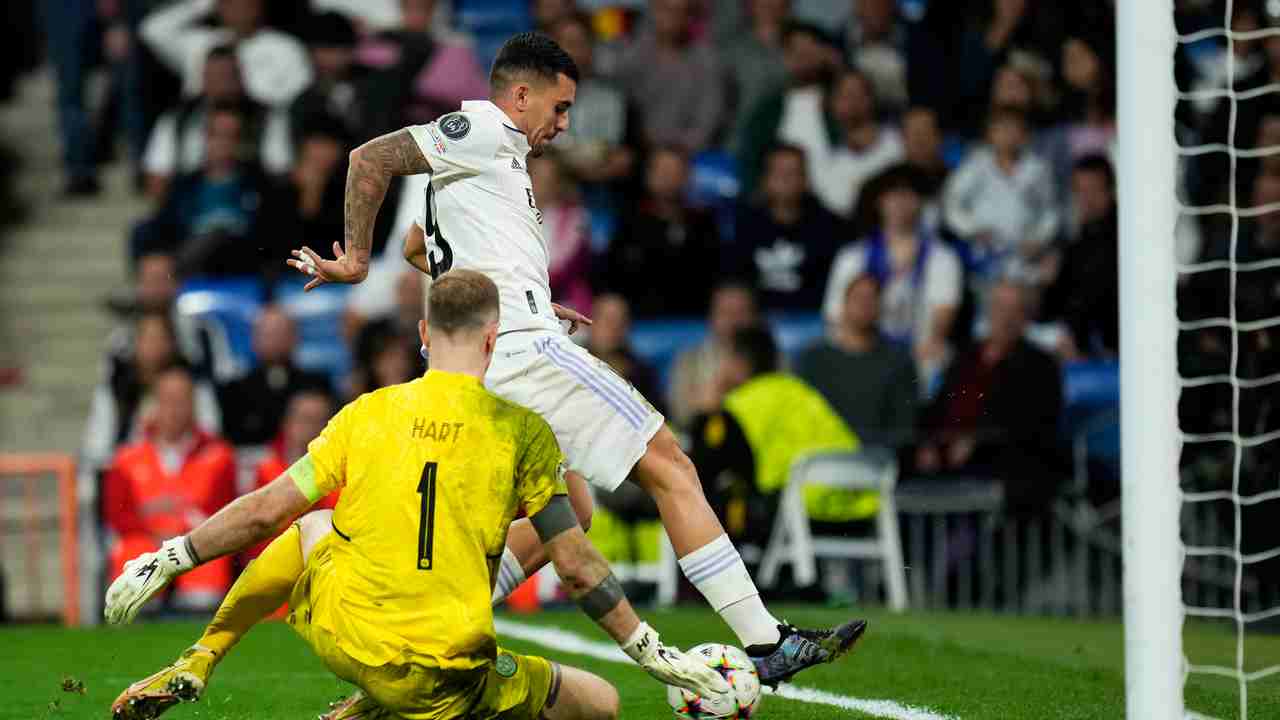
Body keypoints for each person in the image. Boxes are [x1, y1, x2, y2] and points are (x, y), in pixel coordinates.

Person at [290, 32, 866, 684]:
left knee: (573, 510)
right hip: (523, 355)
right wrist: (359, 260)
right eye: (558, 109)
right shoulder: (479, 126)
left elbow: (427, 248)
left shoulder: (494, 164)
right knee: (668, 462)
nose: (562, 127)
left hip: (488, 358)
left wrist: (526, 292)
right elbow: (371, 158)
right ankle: (768, 643)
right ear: (520, 94)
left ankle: (439, 624)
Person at [106, 270, 729, 720]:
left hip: (348, 639)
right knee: (603, 704)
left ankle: (203, 655)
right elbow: (576, 557)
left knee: (310, 526)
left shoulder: (366, 412)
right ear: (493, 341)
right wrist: (653, 652)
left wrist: (171, 557)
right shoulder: (522, 433)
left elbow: (267, 509)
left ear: (425, 333)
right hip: (447, 676)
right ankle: (389, 706)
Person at [689, 326, 875, 550]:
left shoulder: (740, 405)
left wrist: (705, 414)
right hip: (857, 507)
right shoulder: (802, 391)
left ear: (739, 363)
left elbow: (701, 466)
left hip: (794, 515)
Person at [913, 280, 1064, 514]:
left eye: (1014, 310)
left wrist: (977, 440)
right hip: (945, 460)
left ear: (1025, 317)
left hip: (1000, 463)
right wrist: (927, 444)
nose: (1005, 318)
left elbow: (1033, 422)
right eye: (999, 308)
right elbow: (938, 407)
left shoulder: (1040, 366)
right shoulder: (965, 356)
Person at [102, 365, 237, 613]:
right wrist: (157, 535)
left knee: (207, 576)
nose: (174, 410)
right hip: (144, 542)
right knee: (133, 561)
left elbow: (226, 511)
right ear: (154, 405)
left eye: (182, 401)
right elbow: (117, 517)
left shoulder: (219, 455)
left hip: (197, 542)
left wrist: (178, 532)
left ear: (194, 405)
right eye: (167, 401)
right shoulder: (126, 458)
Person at [823, 165, 962, 381]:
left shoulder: (942, 258)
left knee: (936, 359)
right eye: (893, 194)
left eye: (909, 194)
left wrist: (922, 348)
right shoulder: (851, 257)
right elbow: (835, 314)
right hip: (861, 349)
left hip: (917, 352)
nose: (900, 201)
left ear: (921, 201)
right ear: (879, 201)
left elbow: (942, 318)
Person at [141, 44, 292, 201]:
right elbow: (157, 178)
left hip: (251, 202)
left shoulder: (268, 118)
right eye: (216, 76)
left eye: (228, 76)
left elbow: (280, 173)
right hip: (192, 204)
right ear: (203, 78)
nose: (223, 84)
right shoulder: (177, 119)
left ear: (242, 77)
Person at [796, 273, 918, 452]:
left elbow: (903, 426)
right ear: (844, 304)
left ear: (880, 306)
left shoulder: (899, 363)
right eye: (858, 298)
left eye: (871, 298)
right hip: (821, 461)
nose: (864, 305)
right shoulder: (813, 360)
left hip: (877, 462)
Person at [596, 147, 722, 317]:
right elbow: (612, 276)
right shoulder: (630, 221)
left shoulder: (704, 223)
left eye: (673, 171)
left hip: (694, 316)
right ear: (648, 175)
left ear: (687, 177)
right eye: (661, 170)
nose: (666, 178)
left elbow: (713, 276)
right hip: (640, 317)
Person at [942, 106, 1059, 283]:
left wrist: (1039, 239)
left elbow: (1050, 210)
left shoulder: (1038, 169)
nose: (1008, 136)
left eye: (1014, 129)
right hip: (984, 251)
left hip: (1024, 253)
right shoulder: (974, 165)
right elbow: (951, 202)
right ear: (990, 134)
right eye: (1002, 129)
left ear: (1025, 135)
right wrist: (971, 229)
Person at [728, 144, 844, 311]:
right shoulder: (744, 225)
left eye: (793, 173)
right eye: (779, 173)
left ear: (805, 180)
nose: (785, 180)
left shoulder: (831, 228)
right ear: (764, 179)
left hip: (814, 322)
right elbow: (735, 284)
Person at [140, 0, 312, 109]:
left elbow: (299, 98)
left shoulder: (286, 48)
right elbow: (151, 30)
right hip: (201, 133)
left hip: (257, 133)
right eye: (230, 2)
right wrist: (203, 4)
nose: (240, 7)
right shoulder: (199, 42)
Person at [780, 68, 904, 218]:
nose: (852, 101)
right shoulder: (830, 163)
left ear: (872, 99)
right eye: (844, 95)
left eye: (858, 94)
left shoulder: (899, 144)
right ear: (833, 105)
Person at [615, 0, 725, 152]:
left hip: (683, 154)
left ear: (690, 17)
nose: (671, 18)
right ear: (653, 9)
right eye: (665, 9)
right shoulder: (633, 53)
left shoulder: (707, 62)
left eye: (679, 12)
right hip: (636, 149)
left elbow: (707, 123)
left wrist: (675, 149)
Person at [245, 389, 339, 560]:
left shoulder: (342, 479)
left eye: (320, 421)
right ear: (288, 423)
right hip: (271, 565)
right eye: (305, 419)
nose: (312, 428)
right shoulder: (266, 469)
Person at [216, 307, 331, 445]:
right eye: (267, 334)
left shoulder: (318, 386)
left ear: (295, 337)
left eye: (281, 332)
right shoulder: (234, 390)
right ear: (254, 339)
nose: (275, 340)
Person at [667, 283, 759, 432]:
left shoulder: (770, 359)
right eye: (726, 313)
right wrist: (713, 395)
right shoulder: (689, 361)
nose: (734, 321)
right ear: (712, 317)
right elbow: (680, 416)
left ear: (754, 318)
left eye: (741, 312)